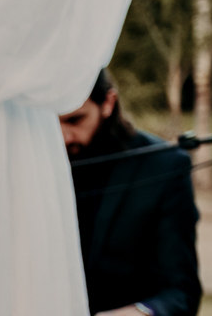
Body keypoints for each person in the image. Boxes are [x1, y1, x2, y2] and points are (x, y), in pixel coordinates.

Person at [60, 69, 201, 316]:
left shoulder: (164, 165)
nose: (63, 137)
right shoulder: (30, 162)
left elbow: (181, 292)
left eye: (75, 120)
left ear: (108, 103)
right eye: (52, 124)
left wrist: (138, 313)